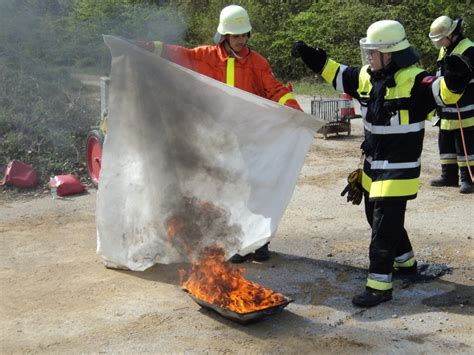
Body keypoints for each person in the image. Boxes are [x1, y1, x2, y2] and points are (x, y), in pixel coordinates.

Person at [292, 20, 471, 307]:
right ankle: (406, 262)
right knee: (374, 215)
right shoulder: (366, 75)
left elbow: (443, 93)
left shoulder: (415, 80)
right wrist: (312, 57)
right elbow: (338, 73)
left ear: (392, 54)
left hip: (399, 169)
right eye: (369, 52)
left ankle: (379, 286)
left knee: (382, 229)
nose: (369, 58)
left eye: (374, 53)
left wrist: (456, 79)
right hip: (373, 165)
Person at [137, 5, 302, 263]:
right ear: (224, 35)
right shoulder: (206, 56)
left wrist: (294, 110)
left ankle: (259, 243)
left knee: (257, 189)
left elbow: (275, 90)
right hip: (219, 139)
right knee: (228, 190)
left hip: (250, 137)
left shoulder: (257, 62)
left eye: (244, 34)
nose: (241, 40)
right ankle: (236, 242)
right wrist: (152, 47)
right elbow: (179, 54)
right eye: (236, 35)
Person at [428, 16, 474, 194]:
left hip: (465, 107)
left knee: (465, 146)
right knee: (445, 142)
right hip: (446, 107)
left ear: (451, 35)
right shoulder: (446, 49)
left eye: (441, 39)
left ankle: (468, 179)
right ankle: (449, 175)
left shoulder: (468, 49)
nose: (439, 43)